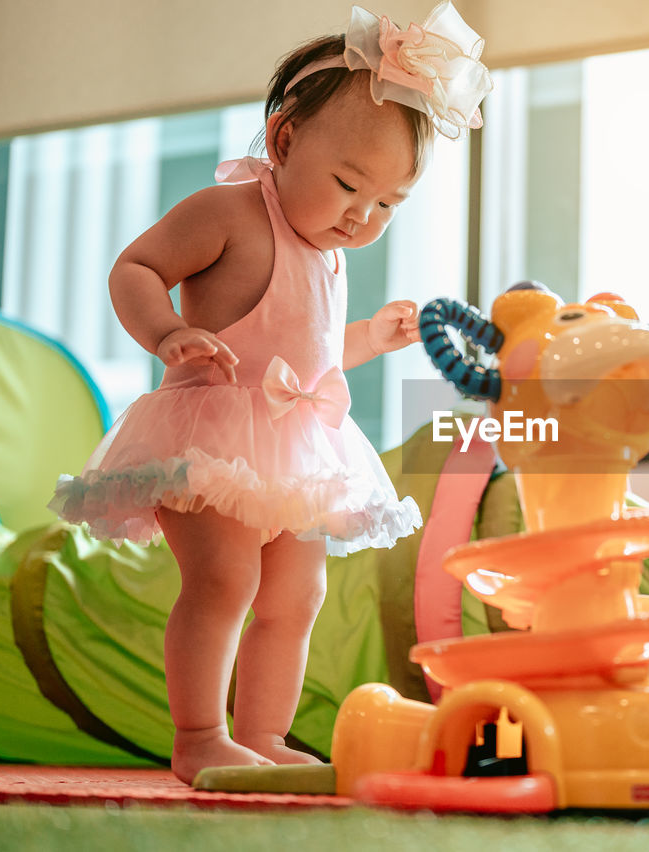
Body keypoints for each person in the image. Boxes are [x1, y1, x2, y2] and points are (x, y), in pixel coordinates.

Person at [50, 2, 492, 784]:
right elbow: (135, 268)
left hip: (297, 445)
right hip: (212, 434)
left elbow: (310, 355)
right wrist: (165, 335)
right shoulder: (229, 212)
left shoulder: (327, 249)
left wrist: (370, 339)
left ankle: (263, 734)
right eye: (350, 184)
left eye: (389, 204)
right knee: (225, 580)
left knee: (299, 593)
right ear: (285, 140)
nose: (362, 216)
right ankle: (197, 735)